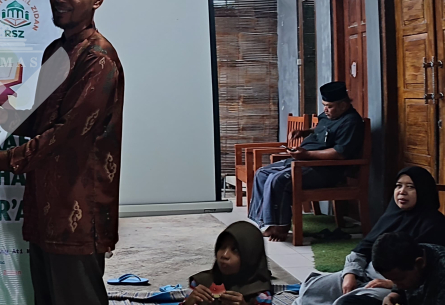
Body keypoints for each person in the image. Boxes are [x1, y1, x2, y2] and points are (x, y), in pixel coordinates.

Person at [0, 0, 124, 305]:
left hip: (77, 216)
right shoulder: (57, 51)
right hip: (45, 209)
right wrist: (0, 113)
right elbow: (41, 116)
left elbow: (64, 137)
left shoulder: (98, 59)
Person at [295, 166, 445, 305]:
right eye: (398, 186)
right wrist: (350, 274)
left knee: (349, 301)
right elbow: (363, 248)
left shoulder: (434, 225)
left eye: (411, 187)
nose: (402, 191)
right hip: (363, 273)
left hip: (393, 283)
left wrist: (393, 284)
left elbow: (425, 275)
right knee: (314, 288)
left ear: (424, 190)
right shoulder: (391, 216)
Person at [249, 81, 364, 241]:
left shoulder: (351, 122)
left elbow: (339, 153)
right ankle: (265, 223)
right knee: (261, 173)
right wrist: (304, 132)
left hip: (325, 169)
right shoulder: (329, 115)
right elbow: (321, 129)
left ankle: (281, 226)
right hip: (304, 162)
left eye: (329, 106)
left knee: (278, 180)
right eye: (324, 105)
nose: (325, 109)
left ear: (343, 105)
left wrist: (308, 155)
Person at [184, 221, 273, 305]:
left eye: (235, 250)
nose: (224, 255)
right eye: (222, 247)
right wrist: (188, 303)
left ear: (251, 256)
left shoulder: (260, 294)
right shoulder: (201, 283)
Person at [372, 232, 445, 305]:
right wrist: (394, 295)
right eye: (392, 280)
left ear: (419, 263)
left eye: (400, 279)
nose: (397, 285)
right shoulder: (414, 251)